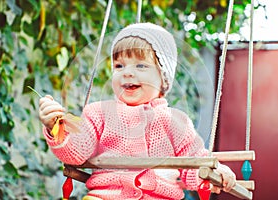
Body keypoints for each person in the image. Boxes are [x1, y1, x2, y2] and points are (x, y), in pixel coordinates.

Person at [39, 22, 236, 200]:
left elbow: (194, 161)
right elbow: (77, 151)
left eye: (141, 65)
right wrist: (56, 128)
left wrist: (215, 170)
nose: (127, 72)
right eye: (119, 65)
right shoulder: (98, 113)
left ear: (163, 77)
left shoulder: (176, 121)